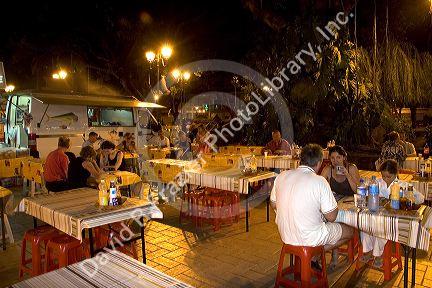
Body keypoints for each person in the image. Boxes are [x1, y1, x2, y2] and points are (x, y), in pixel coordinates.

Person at [270, 144, 353, 269]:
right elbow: (331, 217)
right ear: (320, 163)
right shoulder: (319, 181)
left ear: (300, 160)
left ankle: (311, 257)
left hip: (286, 235)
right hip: (309, 238)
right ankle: (312, 256)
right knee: (350, 231)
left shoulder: (281, 176)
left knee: (322, 224)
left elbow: (273, 204)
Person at [360, 159, 424, 268]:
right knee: (364, 224)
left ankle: (378, 255)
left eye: (388, 176)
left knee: (382, 228)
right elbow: (366, 194)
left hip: (392, 219)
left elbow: (421, 198)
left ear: (395, 174)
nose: (385, 179)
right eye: (383, 176)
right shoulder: (378, 182)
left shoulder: (402, 185)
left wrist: (408, 196)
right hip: (376, 215)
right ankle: (368, 251)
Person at [320, 145, 360, 269]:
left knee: (335, 219)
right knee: (328, 217)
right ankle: (333, 254)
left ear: (343, 157)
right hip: (336, 202)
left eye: (338, 157)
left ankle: (332, 254)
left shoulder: (351, 168)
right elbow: (319, 187)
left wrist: (347, 174)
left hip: (351, 203)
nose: (335, 160)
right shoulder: (328, 170)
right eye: (332, 158)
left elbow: (358, 190)